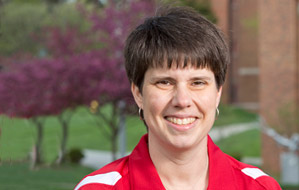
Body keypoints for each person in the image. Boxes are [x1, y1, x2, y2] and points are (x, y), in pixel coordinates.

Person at [74, 6, 282, 190]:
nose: (182, 101)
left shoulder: (260, 187)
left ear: (217, 93)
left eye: (198, 82)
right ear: (138, 93)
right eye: (165, 82)